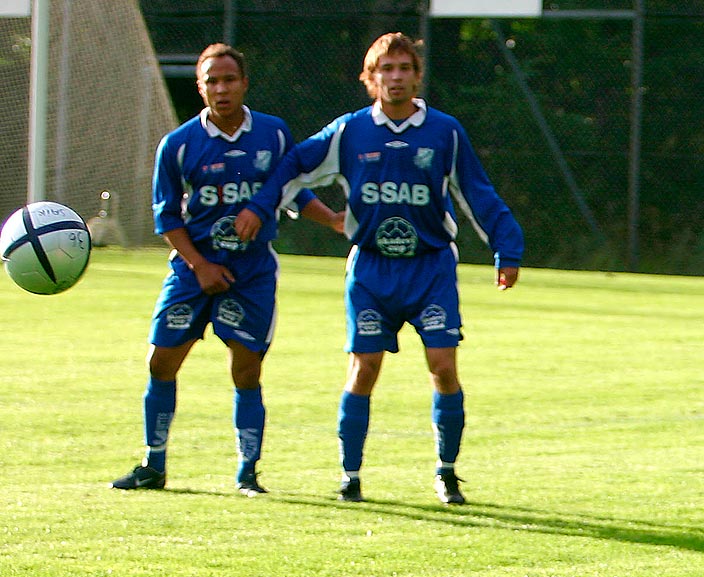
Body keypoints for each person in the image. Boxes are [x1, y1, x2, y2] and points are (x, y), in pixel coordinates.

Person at [235, 32, 523, 505]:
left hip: (430, 269)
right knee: (364, 368)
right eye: (385, 70)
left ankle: (447, 472)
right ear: (370, 79)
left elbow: (478, 193)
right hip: (370, 270)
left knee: (443, 366)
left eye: (404, 68)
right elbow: (293, 166)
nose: (396, 78)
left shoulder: (444, 132)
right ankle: (351, 476)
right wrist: (261, 206)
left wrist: (507, 250)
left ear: (416, 76)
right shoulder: (349, 132)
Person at [111, 43, 342, 496]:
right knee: (161, 361)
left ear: (244, 83)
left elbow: (289, 192)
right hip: (192, 270)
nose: (221, 88)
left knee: (246, 369)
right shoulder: (177, 145)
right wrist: (199, 266)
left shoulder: (273, 135)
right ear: (200, 88)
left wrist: (331, 218)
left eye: (229, 79)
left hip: (250, 272)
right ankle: (152, 464)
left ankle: (247, 473)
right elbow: (167, 218)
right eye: (211, 81)